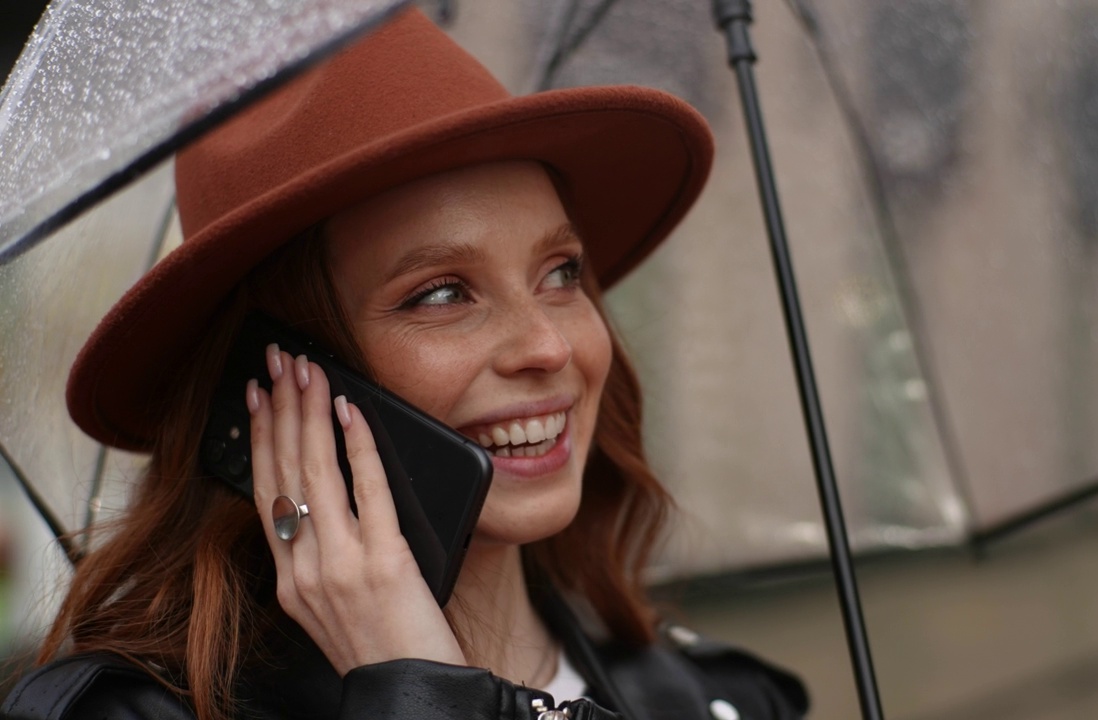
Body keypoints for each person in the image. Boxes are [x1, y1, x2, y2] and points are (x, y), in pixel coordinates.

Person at [2, 9, 807, 720]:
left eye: (561, 273)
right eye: (442, 293)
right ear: (266, 384)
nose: (551, 347)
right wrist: (411, 688)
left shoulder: (715, 700)